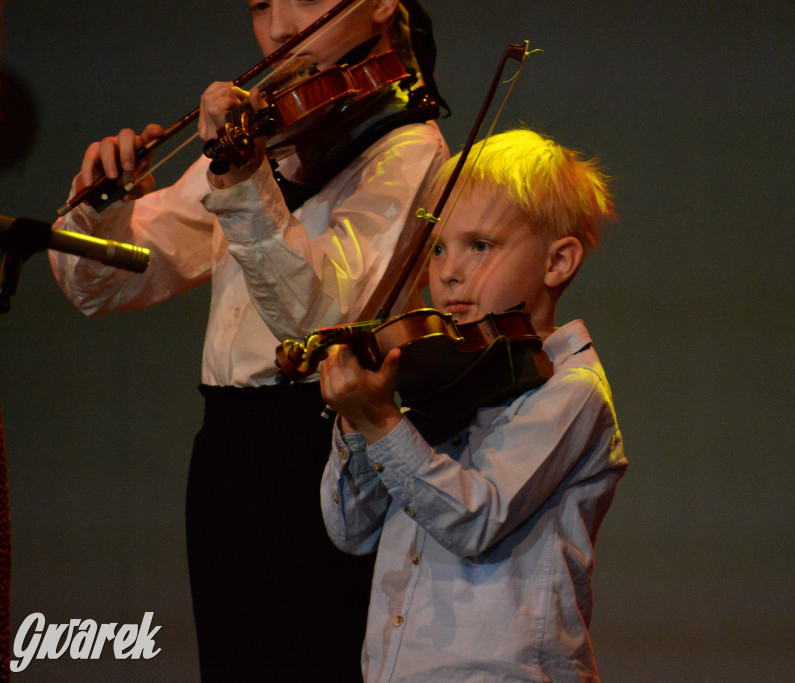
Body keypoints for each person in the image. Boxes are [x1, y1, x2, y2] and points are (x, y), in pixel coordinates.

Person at [49, 1, 449, 679]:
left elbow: (321, 320)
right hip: (229, 443)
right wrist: (103, 204)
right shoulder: (264, 136)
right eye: (262, 5)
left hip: (322, 444)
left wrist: (241, 174)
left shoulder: (407, 147)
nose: (282, 28)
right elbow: (102, 284)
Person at [319, 128, 627, 681]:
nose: (447, 271)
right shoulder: (438, 380)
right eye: (437, 247)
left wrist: (385, 424)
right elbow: (350, 528)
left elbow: (475, 519)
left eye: (479, 245)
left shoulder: (571, 389)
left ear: (558, 262)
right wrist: (358, 421)